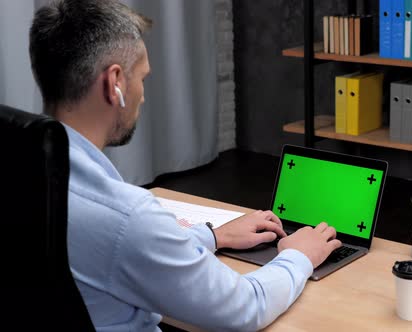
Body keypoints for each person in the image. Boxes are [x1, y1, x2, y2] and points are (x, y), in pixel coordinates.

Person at [28, 0, 342, 331]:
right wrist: (299, 256)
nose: (143, 95)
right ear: (115, 84)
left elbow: (121, 254)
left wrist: (211, 237)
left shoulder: (25, 171)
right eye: (143, 78)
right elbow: (246, 308)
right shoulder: (126, 217)